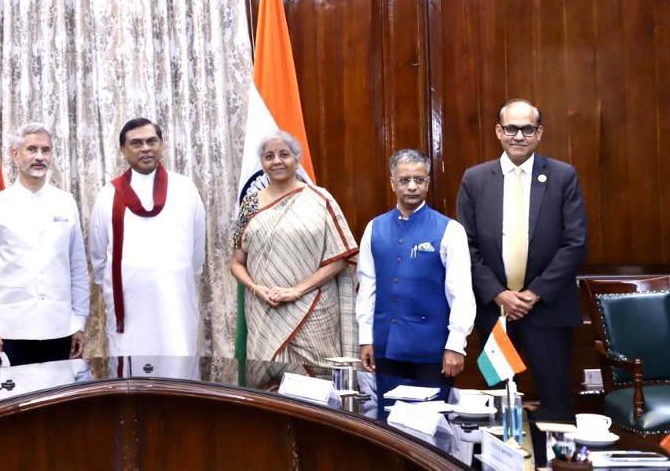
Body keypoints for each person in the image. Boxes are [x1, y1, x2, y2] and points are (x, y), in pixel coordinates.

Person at [457, 99, 587, 421]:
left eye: (527, 129)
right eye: (511, 128)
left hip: (548, 311)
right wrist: (500, 294)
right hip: (495, 313)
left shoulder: (562, 176)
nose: (518, 136)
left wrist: (533, 294)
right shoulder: (475, 179)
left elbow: (575, 243)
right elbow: (465, 246)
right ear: (498, 131)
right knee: (497, 405)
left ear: (539, 133)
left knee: (556, 406)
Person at [355, 149, 474, 418]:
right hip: (386, 347)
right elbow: (367, 287)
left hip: (432, 352)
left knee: (429, 426)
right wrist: (366, 339)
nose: (412, 186)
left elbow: (461, 294)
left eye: (418, 180)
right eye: (404, 180)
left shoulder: (450, 230)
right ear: (392, 183)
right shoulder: (374, 228)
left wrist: (456, 345)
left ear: (427, 183)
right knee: (388, 425)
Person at [230, 131, 359, 365]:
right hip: (264, 310)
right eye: (269, 156)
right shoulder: (249, 205)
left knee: (318, 381)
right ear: (262, 163)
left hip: (313, 310)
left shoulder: (320, 199)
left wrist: (296, 291)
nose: (277, 161)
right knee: (268, 380)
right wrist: (257, 289)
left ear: (297, 160)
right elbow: (237, 263)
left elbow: (341, 257)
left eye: (284, 154)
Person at [88, 118, 206, 356]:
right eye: (136, 143)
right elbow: (98, 252)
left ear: (162, 145)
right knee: (130, 365)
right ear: (123, 150)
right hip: (128, 302)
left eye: (152, 141)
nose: (145, 148)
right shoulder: (108, 194)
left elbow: (197, 247)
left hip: (176, 297)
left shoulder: (185, 188)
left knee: (177, 358)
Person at [0, 123, 89, 366]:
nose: (39, 157)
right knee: (14, 391)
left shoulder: (66, 202)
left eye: (45, 150)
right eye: (32, 149)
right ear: (15, 154)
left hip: (59, 328)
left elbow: (78, 268)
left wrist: (78, 322)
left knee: (60, 390)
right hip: (10, 330)